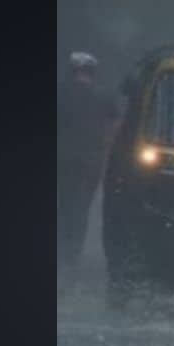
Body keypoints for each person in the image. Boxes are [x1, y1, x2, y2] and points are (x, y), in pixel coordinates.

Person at [56, 52, 119, 271]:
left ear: (72, 71)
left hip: (62, 160)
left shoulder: (60, 93)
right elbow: (114, 125)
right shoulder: (104, 96)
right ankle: (73, 254)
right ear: (93, 73)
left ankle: (63, 252)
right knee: (82, 208)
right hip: (90, 162)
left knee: (65, 205)